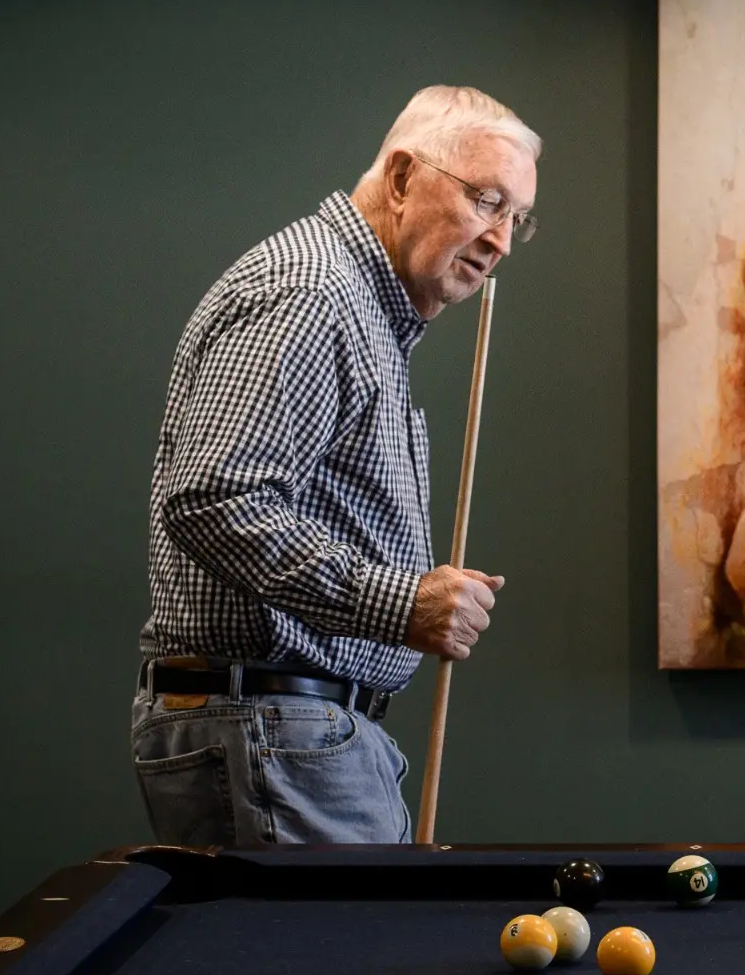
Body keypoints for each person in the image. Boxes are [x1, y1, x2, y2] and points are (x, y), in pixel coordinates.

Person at [131, 85, 539, 845]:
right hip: (274, 728)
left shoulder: (362, 308)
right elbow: (214, 499)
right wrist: (398, 603)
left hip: (292, 730)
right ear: (400, 179)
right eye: (487, 201)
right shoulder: (311, 293)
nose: (502, 240)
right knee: (339, 968)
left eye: (517, 217)